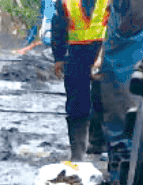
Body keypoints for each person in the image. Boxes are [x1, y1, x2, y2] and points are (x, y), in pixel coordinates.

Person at [52, 0, 110, 162]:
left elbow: (120, 24)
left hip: (105, 52)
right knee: (77, 101)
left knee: (104, 98)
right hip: (76, 54)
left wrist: (104, 55)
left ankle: (100, 143)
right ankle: (77, 152)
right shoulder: (66, 2)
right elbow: (58, 27)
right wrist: (59, 57)